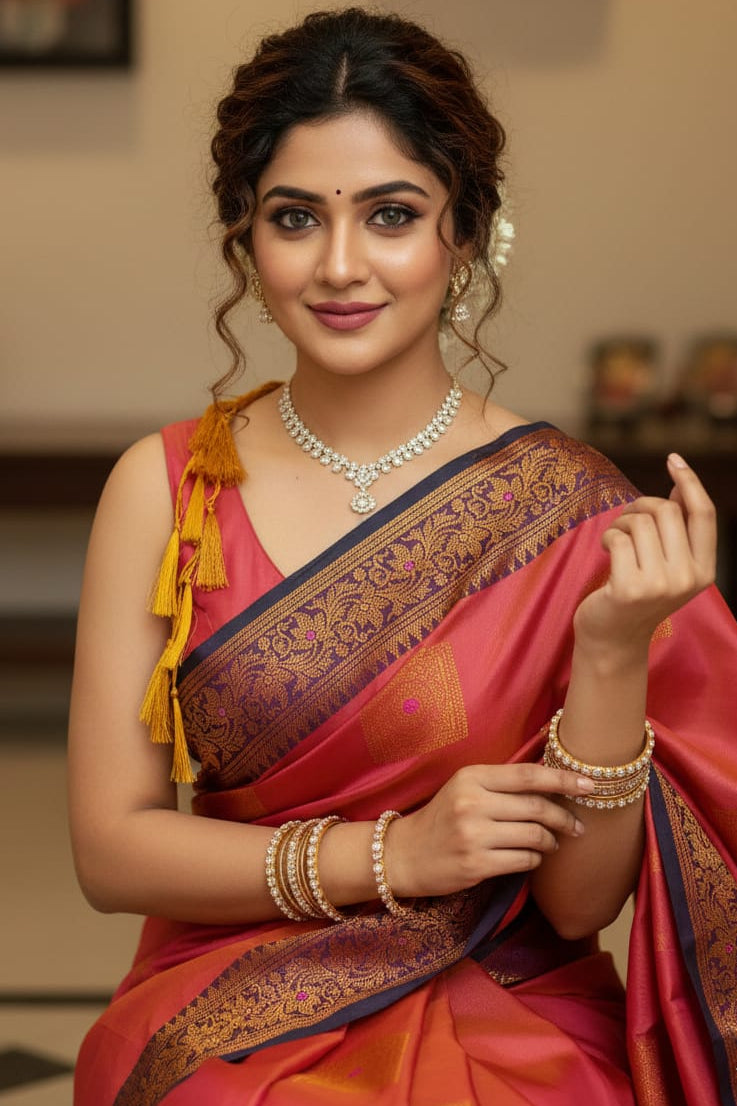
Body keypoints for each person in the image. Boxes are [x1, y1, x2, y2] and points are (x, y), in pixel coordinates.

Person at [69, 8, 737, 1104]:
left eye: (390, 214)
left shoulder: (563, 509)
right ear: (244, 233)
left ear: (463, 231)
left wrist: (613, 649)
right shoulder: (171, 487)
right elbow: (111, 850)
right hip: (232, 985)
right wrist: (392, 855)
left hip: (509, 993)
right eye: (294, 217)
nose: (339, 266)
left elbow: (574, 908)